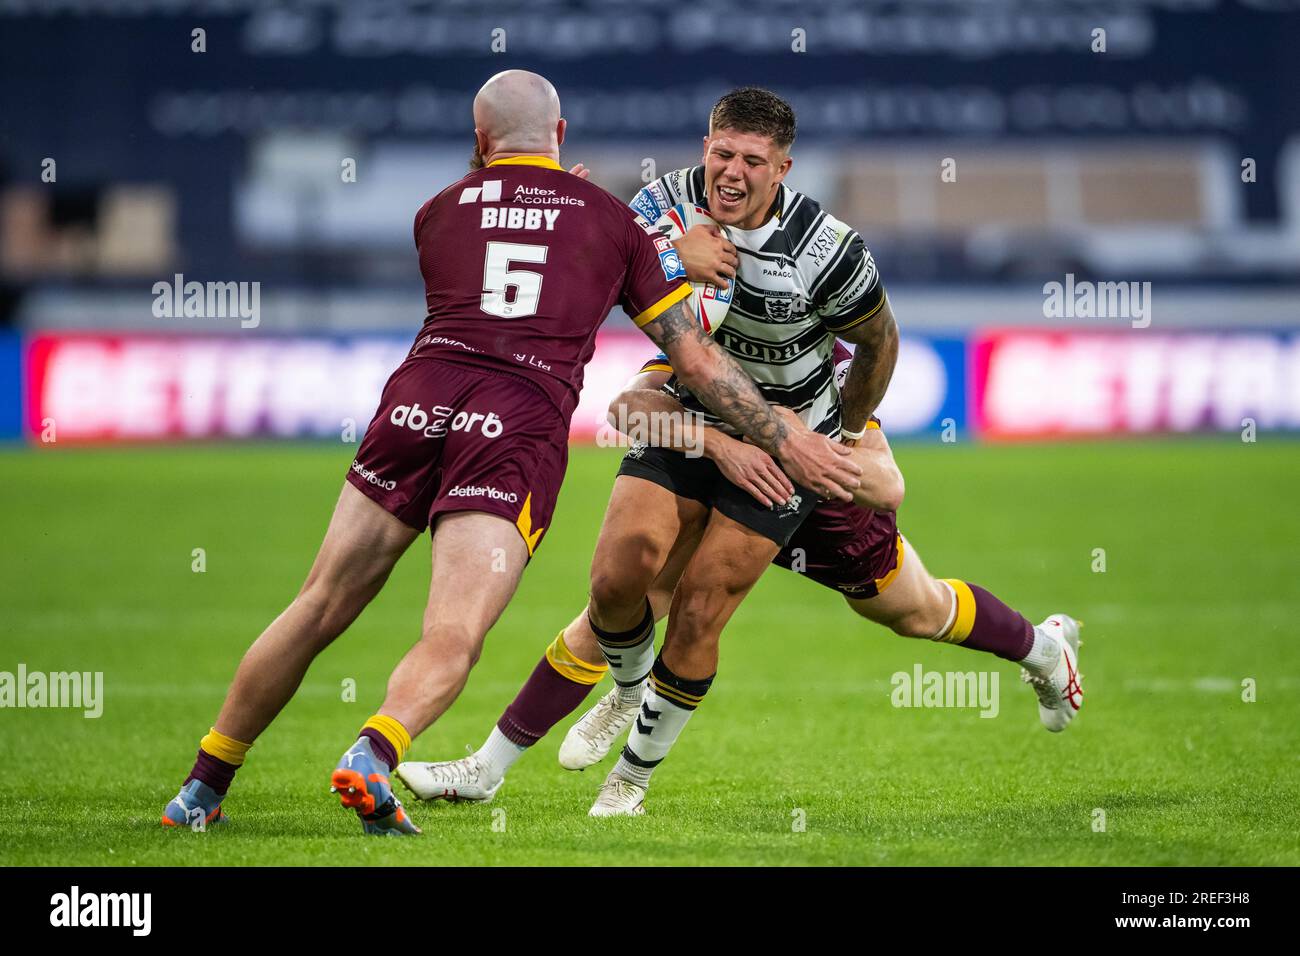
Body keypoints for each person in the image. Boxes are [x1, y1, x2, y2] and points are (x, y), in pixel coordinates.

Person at [160, 71, 859, 836]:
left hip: (413, 403)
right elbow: (691, 360)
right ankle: (374, 750)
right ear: (560, 138)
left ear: (481, 140)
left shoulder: (438, 212)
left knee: (318, 602)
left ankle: (201, 788)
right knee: (452, 632)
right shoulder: (608, 222)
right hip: (511, 423)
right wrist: (783, 431)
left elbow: (498, 223)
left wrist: (523, 196)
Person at [397, 89, 1083, 816]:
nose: (732, 171)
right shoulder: (662, 206)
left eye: (752, 161)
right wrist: (660, 253)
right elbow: (589, 270)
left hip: (796, 446)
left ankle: (1042, 649)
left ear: (782, 167)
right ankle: (503, 765)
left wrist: (847, 435)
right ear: (704, 146)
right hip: (703, 413)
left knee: (910, 608)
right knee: (621, 581)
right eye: (722, 153)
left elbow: (879, 341)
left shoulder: (826, 251)